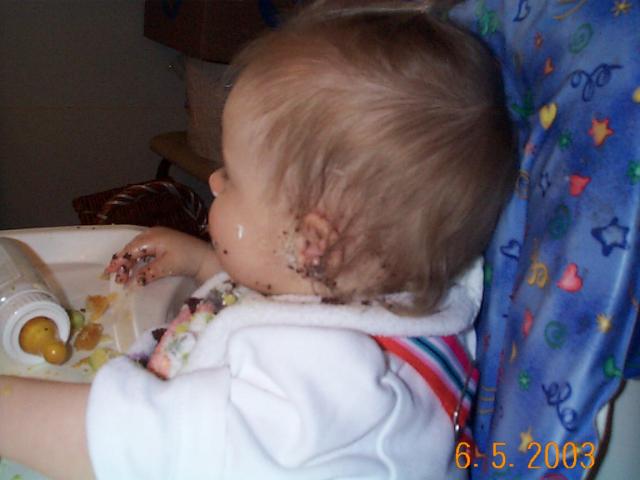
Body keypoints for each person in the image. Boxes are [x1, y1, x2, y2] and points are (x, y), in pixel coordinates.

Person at [0, 1, 516, 478]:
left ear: (311, 243)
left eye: (232, 177)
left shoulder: (321, 387)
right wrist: (204, 264)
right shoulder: (377, 282)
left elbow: (141, 444)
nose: (213, 182)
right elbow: (286, 285)